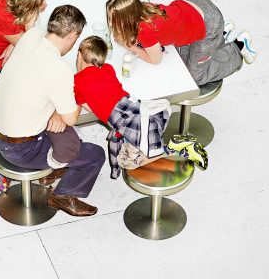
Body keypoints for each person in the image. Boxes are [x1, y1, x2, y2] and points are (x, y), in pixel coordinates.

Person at [0, 5, 106, 217]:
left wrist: (56, 111)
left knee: (66, 136)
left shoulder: (30, 37)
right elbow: (70, 118)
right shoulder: (58, 69)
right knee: (95, 155)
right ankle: (62, 196)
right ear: (73, 35)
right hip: (21, 149)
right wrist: (80, 84)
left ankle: (54, 170)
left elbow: (38, 83)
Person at [74, 36, 209, 176]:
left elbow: (88, 107)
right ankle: (181, 149)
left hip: (128, 122)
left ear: (79, 55)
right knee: (140, 148)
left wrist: (78, 76)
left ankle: (175, 148)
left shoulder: (77, 82)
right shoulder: (108, 69)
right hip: (137, 108)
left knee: (128, 163)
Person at [106, 0, 257, 86]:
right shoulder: (142, 8)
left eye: (115, 19)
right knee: (180, 58)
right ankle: (222, 33)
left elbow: (155, 60)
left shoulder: (144, 29)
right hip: (194, 3)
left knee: (194, 76)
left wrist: (128, 45)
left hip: (209, 24)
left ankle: (237, 47)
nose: (112, 22)